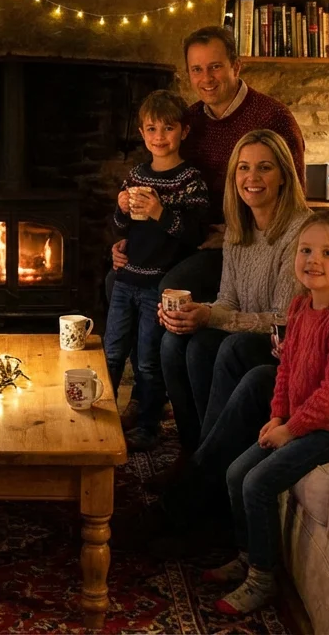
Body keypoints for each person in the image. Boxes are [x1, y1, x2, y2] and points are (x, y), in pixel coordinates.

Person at [205, 209, 329, 615]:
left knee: (258, 483)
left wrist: (292, 429)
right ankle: (248, 554)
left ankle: (262, 578)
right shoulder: (301, 307)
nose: (313, 260)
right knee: (236, 473)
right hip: (301, 421)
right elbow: (285, 368)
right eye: (305, 250)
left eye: (327, 253)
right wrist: (277, 415)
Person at [113, 26, 306, 304]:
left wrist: (233, 234)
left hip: (246, 242)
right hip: (188, 235)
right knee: (117, 279)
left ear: (236, 66)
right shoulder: (189, 120)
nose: (206, 79)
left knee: (170, 287)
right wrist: (138, 241)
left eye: (215, 67)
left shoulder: (273, 117)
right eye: (197, 69)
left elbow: (295, 198)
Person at [157, 129, 311, 465]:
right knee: (174, 341)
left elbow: (284, 320)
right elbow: (228, 300)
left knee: (222, 346)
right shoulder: (239, 228)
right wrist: (194, 313)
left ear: (284, 176)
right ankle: (193, 449)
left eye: (264, 168)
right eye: (243, 168)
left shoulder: (300, 232)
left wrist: (210, 316)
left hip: (286, 344)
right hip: (246, 332)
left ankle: (205, 464)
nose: (252, 178)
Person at [105, 90, 211, 452]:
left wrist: (160, 212)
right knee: (112, 351)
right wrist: (121, 209)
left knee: (148, 360)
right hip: (127, 279)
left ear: (184, 131)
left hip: (158, 285)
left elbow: (195, 234)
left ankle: (148, 425)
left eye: (168, 128)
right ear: (141, 132)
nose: (159, 136)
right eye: (152, 128)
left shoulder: (190, 179)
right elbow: (123, 228)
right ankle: (102, 419)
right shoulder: (137, 174)